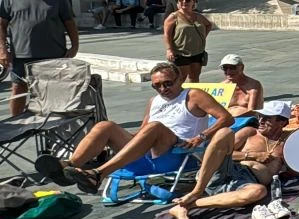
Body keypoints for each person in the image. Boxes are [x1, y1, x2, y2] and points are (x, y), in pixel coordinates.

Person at [38, 62, 232, 194]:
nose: (163, 89)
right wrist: (115, 140)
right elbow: (142, 132)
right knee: (105, 126)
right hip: (146, 152)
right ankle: (69, 166)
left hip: (178, 152)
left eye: (168, 83)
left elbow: (226, 118)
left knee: (155, 126)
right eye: (157, 86)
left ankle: (98, 173)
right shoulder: (154, 101)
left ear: (179, 78)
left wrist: (201, 137)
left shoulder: (194, 95)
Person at [168, 103, 298, 219]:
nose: (261, 121)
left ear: (282, 122)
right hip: (228, 169)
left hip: (247, 182)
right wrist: (251, 155)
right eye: (260, 116)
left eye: (267, 118)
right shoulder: (250, 132)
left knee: (258, 191)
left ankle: (186, 205)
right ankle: (197, 191)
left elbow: (297, 167)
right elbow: (220, 152)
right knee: (225, 133)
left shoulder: (288, 142)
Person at [0, 0, 78, 117]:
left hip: (53, 54)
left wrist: (74, 46)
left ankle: (53, 120)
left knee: (53, 89)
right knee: (18, 88)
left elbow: (69, 23)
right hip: (22, 55)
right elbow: (1, 25)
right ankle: (16, 121)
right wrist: (2, 50)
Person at [163, 0, 214, 83]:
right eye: (181, 0)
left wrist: (202, 38)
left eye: (187, 0)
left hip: (197, 52)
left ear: (193, 2)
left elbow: (209, 25)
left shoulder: (198, 16)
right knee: (180, 79)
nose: (184, 2)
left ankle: (193, 96)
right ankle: (179, 97)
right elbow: (166, 34)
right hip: (181, 52)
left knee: (194, 78)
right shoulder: (173, 17)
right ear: (177, 2)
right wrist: (169, 50)